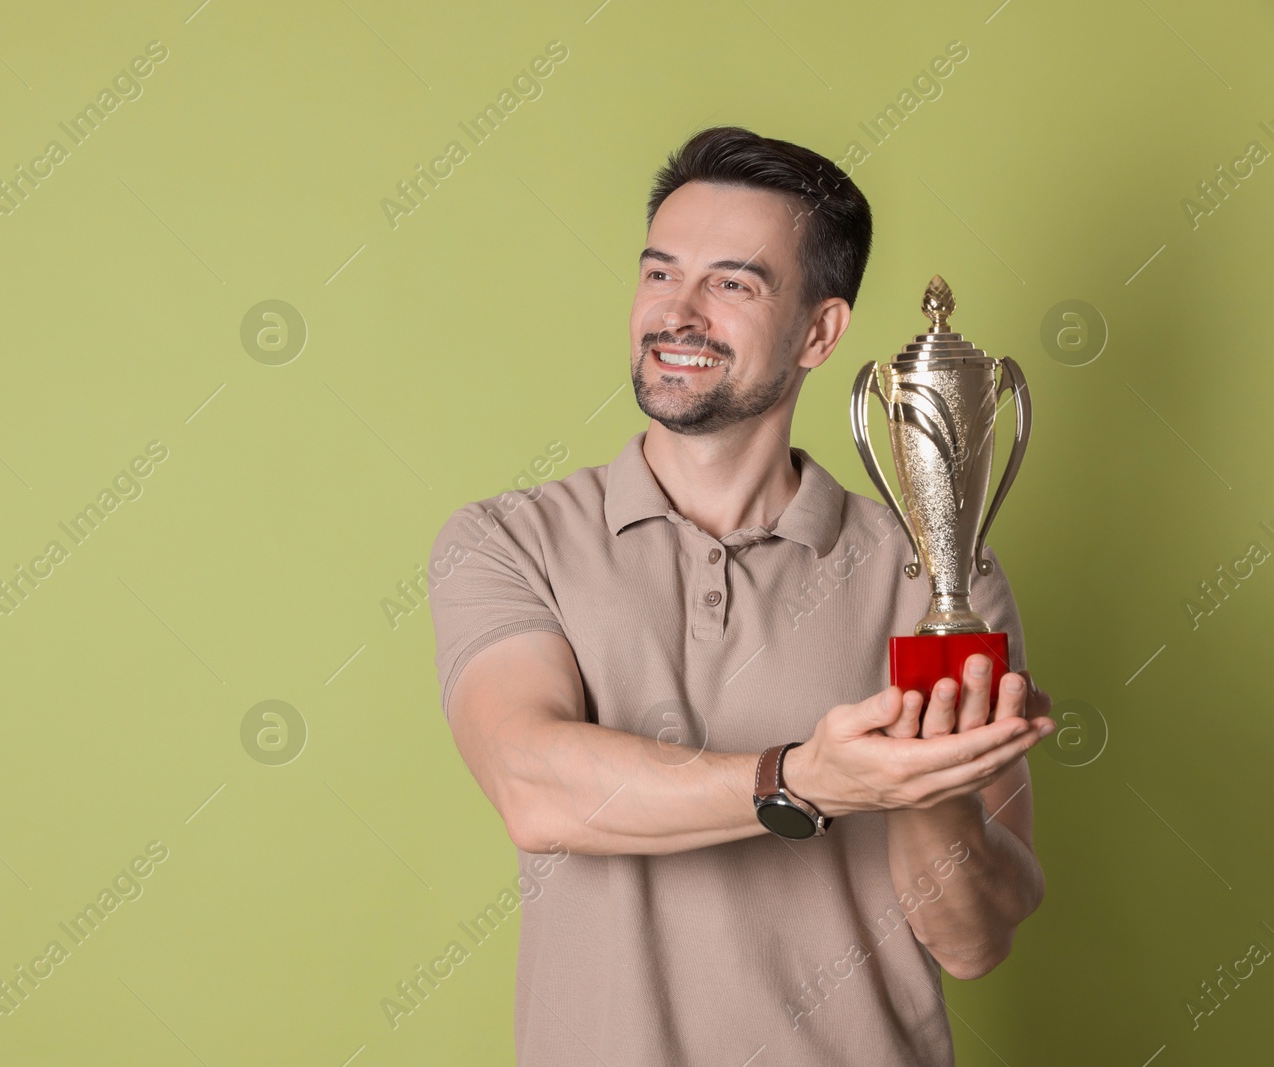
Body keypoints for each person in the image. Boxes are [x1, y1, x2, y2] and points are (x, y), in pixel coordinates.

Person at [425, 125, 1055, 1066]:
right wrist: (802, 778)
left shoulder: (932, 575)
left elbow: (973, 943)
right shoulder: (509, 541)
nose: (677, 313)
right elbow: (533, 782)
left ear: (819, 331)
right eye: (658, 273)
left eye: (732, 282)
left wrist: (926, 786)